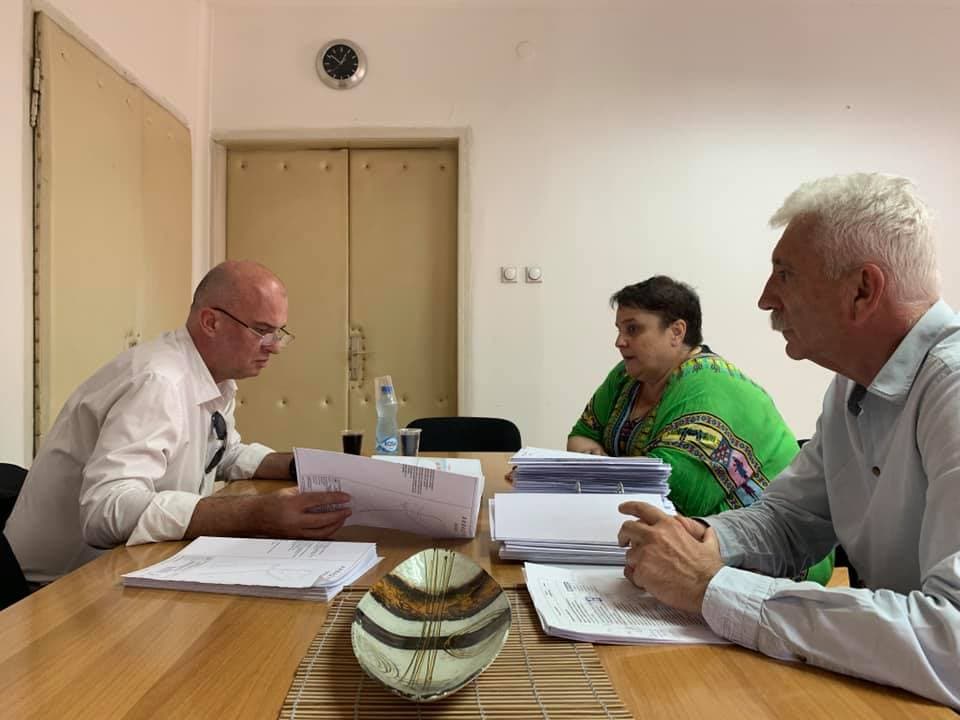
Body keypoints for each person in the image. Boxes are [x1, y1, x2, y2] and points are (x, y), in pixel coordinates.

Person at [618, 173, 960, 709]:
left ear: (862, 290)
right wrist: (704, 539)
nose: (765, 299)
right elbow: (788, 520)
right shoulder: (851, 384)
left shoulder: (952, 390)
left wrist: (713, 588)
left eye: (785, 274)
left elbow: (952, 641)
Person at [5, 260, 352, 585]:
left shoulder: (213, 377)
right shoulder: (159, 381)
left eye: (278, 333)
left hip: (127, 567)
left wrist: (305, 467)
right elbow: (105, 511)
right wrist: (254, 514)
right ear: (211, 322)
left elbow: (222, 454)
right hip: (54, 589)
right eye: (261, 331)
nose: (274, 347)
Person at [569, 276, 833, 583]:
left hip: (778, 557)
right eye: (619, 330)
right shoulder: (626, 376)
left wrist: (595, 466)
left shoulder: (710, 387)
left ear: (676, 331)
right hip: (676, 545)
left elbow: (667, 490)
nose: (620, 341)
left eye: (633, 329)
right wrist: (603, 470)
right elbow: (581, 435)